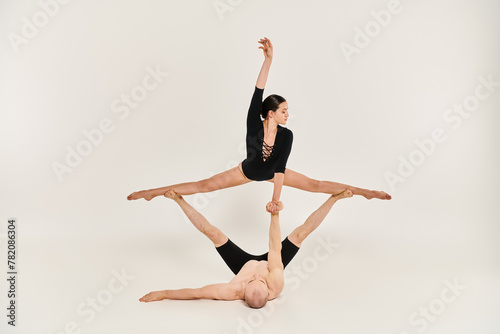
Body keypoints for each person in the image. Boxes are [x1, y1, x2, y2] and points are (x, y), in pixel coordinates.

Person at [128, 37, 390, 213]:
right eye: (284, 111)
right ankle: (152, 191)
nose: (288, 114)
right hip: (246, 171)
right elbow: (258, 90)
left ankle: (365, 192)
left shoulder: (286, 136)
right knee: (204, 185)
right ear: (271, 113)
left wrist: (276, 200)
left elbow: (279, 169)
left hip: (271, 174)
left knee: (317, 185)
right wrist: (268, 61)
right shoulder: (253, 123)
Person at [139, 188, 353, 308]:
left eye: (253, 281)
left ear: (242, 292)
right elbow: (274, 248)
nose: (256, 277)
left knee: (213, 234)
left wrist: (164, 293)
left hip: (244, 265)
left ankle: (178, 200)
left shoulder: (233, 290)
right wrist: (275, 215)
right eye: (257, 280)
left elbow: (198, 293)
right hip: (271, 261)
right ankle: (335, 198)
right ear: (269, 291)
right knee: (300, 234)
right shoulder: (276, 282)